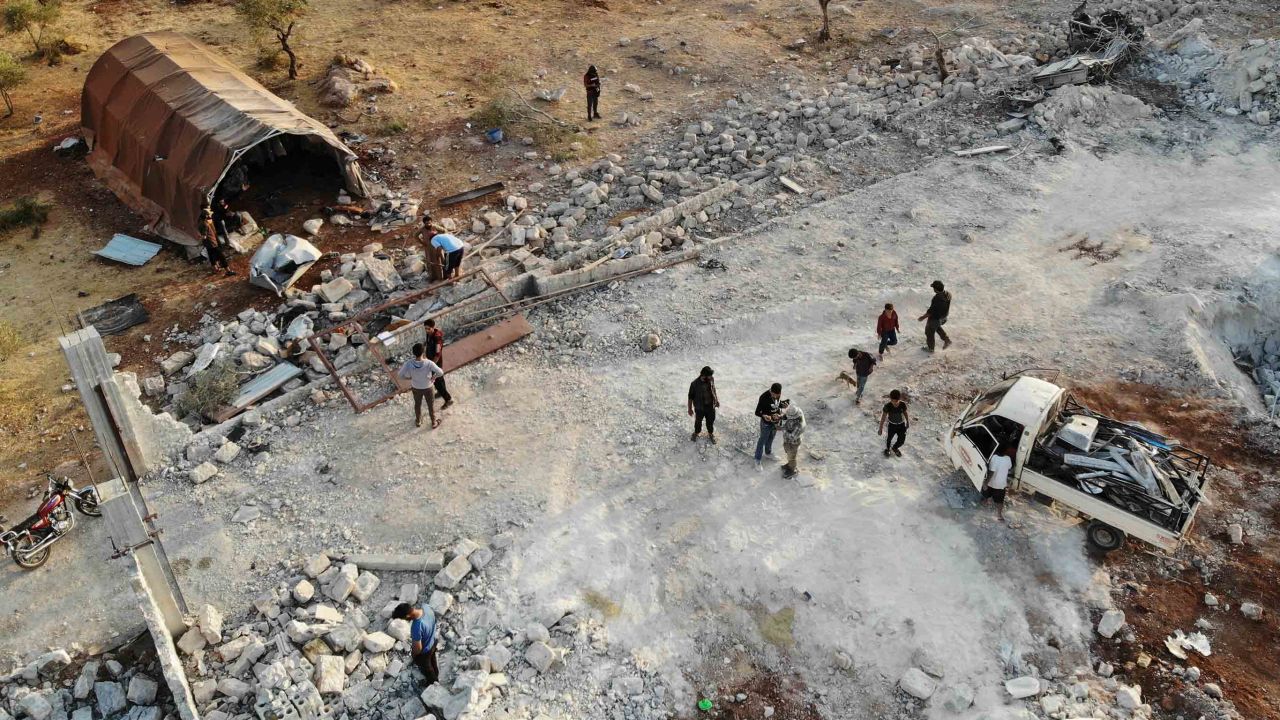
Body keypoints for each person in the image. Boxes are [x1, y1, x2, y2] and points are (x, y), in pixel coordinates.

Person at [398, 343, 444, 429]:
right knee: (431, 405)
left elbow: (400, 375)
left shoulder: (409, 363)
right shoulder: (429, 363)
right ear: (423, 352)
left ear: (413, 353)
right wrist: (434, 376)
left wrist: (409, 378)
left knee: (417, 404)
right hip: (428, 387)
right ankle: (433, 422)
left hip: (416, 388)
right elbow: (440, 372)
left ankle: (418, 421)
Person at [392, 603, 439, 686]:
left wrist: (414, 655)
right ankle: (436, 673)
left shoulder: (417, 626)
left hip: (426, 650)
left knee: (427, 666)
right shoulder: (426, 607)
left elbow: (418, 648)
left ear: (407, 616)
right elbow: (434, 620)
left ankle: (433, 682)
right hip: (433, 640)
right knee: (433, 658)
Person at [423, 319, 454, 410]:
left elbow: (437, 354)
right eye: (425, 329)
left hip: (436, 362)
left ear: (433, 327)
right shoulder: (429, 334)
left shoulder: (437, 339)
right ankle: (441, 393)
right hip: (431, 360)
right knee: (440, 379)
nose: (426, 331)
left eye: (428, 329)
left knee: (436, 381)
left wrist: (432, 365)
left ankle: (448, 399)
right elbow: (428, 343)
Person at [753, 383, 784, 469]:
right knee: (762, 440)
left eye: (777, 395)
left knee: (771, 438)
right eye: (774, 395)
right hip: (766, 424)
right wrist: (764, 416)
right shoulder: (763, 397)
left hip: (775, 423)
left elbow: (777, 405)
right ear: (771, 391)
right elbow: (757, 412)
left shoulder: (778, 395)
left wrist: (781, 410)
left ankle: (768, 453)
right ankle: (757, 459)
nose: (775, 396)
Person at [200, 202, 234, 277]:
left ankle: (216, 268)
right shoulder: (205, 223)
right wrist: (203, 237)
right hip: (212, 242)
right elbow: (204, 235)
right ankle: (228, 271)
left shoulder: (200, 221)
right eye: (208, 212)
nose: (210, 214)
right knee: (221, 256)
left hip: (208, 243)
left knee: (211, 256)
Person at [687, 366, 720, 444]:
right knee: (698, 421)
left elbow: (713, 390)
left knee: (710, 421)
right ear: (703, 375)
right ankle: (696, 433)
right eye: (709, 376)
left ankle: (710, 433)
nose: (711, 377)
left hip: (710, 407)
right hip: (699, 408)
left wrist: (716, 400)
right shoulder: (694, 384)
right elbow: (690, 397)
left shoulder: (711, 379)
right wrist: (689, 409)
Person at [982, 445, 1015, 521]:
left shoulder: (994, 457)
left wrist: (986, 482)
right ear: (1005, 451)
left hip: (991, 483)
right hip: (1001, 484)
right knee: (1000, 501)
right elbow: (1009, 467)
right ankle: (999, 515)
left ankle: (985, 501)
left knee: (986, 492)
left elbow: (992, 471)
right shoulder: (1008, 459)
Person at [918, 280, 952, 352]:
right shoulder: (948, 294)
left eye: (933, 287)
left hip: (935, 318)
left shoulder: (937, 298)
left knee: (929, 331)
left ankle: (930, 349)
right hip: (944, 317)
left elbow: (931, 311)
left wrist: (923, 317)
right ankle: (947, 340)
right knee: (937, 327)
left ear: (936, 289)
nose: (933, 289)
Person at [878, 389, 910, 457]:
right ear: (890, 399)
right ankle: (888, 449)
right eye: (893, 401)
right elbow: (883, 418)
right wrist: (880, 428)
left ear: (899, 399)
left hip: (901, 425)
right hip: (892, 425)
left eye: (896, 401)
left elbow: (905, 413)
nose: (894, 403)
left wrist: (907, 421)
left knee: (902, 440)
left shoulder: (902, 404)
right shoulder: (887, 406)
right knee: (889, 439)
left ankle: (895, 448)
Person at [780, 403, 806, 478]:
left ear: (794, 417)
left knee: (792, 457)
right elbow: (787, 416)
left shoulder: (799, 426)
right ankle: (789, 465)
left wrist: (783, 429)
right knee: (789, 454)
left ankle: (792, 470)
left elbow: (792, 437)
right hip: (788, 441)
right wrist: (782, 416)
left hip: (793, 443)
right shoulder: (797, 411)